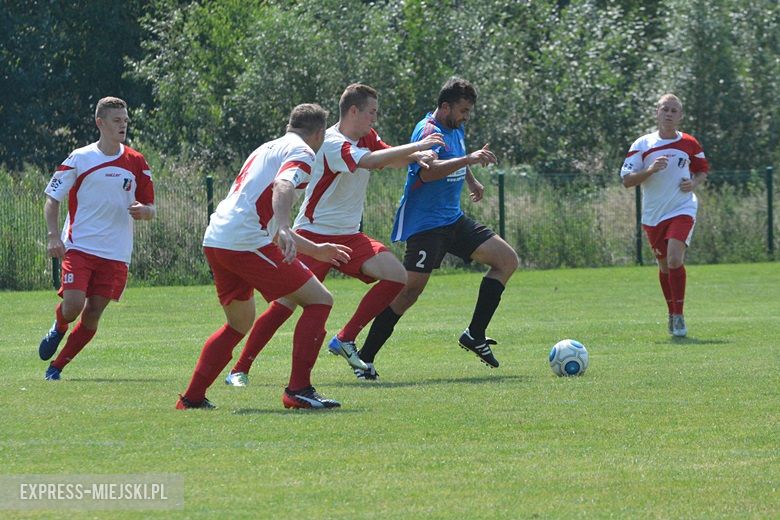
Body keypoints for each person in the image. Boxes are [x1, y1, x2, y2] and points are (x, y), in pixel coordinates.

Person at [223, 83, 443, 385]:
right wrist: (418, 147)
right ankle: (239, 369)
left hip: (350, 236)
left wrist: (417, 158)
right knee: (285, 306)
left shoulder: (366, 136)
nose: (374, 119)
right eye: (371, 113)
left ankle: (345, 338)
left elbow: (387, 157)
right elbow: (369, 161)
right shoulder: (332, 142)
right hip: (312, 236)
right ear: (353, 111)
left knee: (395, 275)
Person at [176, 103, 355, 410]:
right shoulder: (303, 152)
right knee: (319, 300)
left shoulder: (265, 149)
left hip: (218, 238)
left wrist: (316, 249)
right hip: (246, 241)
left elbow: (265, 218)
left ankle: (192, 398)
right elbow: (283, 185)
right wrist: (285, 224)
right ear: (318, 133)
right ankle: (299, 390)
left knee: (238, 323)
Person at [359, 77, 519, 371]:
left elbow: (457, 158)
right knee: (408, 293)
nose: (466, 117)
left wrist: (471, 179)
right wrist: (468, 160)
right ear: (445, 106)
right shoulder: (429, 132)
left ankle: (475, 334)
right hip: (426, 225)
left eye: (469, 111)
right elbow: (428, 173)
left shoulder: (455, 127)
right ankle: (364, 358)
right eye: (463, 110)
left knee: (506, 260)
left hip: (453, 219)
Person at [39, 96, 156, 380]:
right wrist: (54, 237)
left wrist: (145, 212)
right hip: (80, 246)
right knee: (73, 306)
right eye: (117, 121)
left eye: (126, 121)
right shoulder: (80, 158)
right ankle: (59, 326)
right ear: (100, 123)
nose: (123, 126)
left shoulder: (136, 161)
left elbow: (151, 207)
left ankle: (57, 367)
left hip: (116, 253)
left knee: (92, 314)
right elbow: (51, 198)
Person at [620, 93, 709, 337]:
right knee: (664, 266)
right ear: (656, 113)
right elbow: (627, 180)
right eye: (665, 109)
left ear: (680, 116)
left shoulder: (690, 143)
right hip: (653, 215)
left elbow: (702, 170)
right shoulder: (643, 145)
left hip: (682, 208)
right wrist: (649, 170)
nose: (669, 114)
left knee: (673, 260)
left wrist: (695, 182)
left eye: (674, 110)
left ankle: (679, 316)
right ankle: (671, 312)